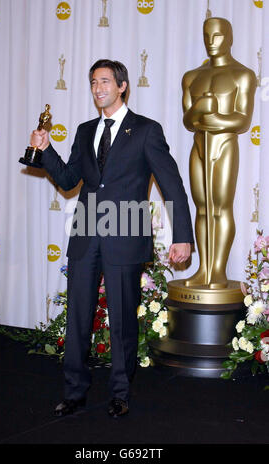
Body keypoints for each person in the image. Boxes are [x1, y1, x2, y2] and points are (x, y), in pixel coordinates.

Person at [30, 59, 193, 418]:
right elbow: (71, 179)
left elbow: (172, 185)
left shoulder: (147, 130)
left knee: (121, 320)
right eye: (92, 82)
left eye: (104, 81)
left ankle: (120, 393)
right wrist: (45, 150)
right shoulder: (85, 130)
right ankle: (74, 393)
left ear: (122, 86)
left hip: (126, 231)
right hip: (87, 231)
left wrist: (183, 235)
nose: (97, 87)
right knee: (77, 318)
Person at [182, 17, 256, 289]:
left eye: (217, 36)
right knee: (202, 208)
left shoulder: (242, 74)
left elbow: (242, 120)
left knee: (221, 207)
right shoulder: (192, 77)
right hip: (199, 146)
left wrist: (211, 115)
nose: (211, 42)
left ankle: (218, 270)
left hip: (224, 145)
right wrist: (201, 109)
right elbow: (188, 121)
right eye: (206, 36)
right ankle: (203, 269)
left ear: (229, 37)